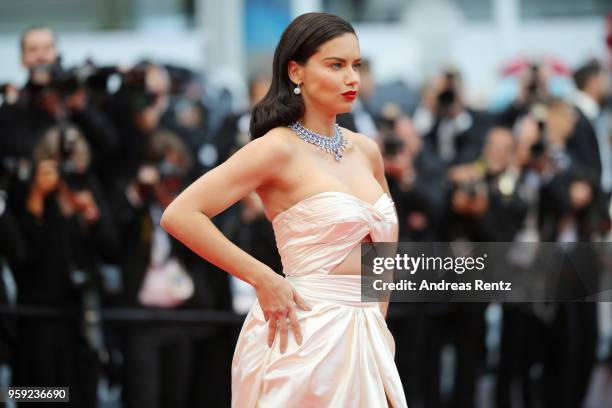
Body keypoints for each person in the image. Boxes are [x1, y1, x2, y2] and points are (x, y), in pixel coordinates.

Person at [161, 12, 407, 408]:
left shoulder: (367, 150)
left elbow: (381, 253)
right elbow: (181, 214)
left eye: (356, 65)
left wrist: (380, 319)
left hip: (368, 337)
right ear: (296, 72)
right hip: (304, 334)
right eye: (336, 65)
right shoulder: (276, 148)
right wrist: (263, 277)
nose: (352, 78)